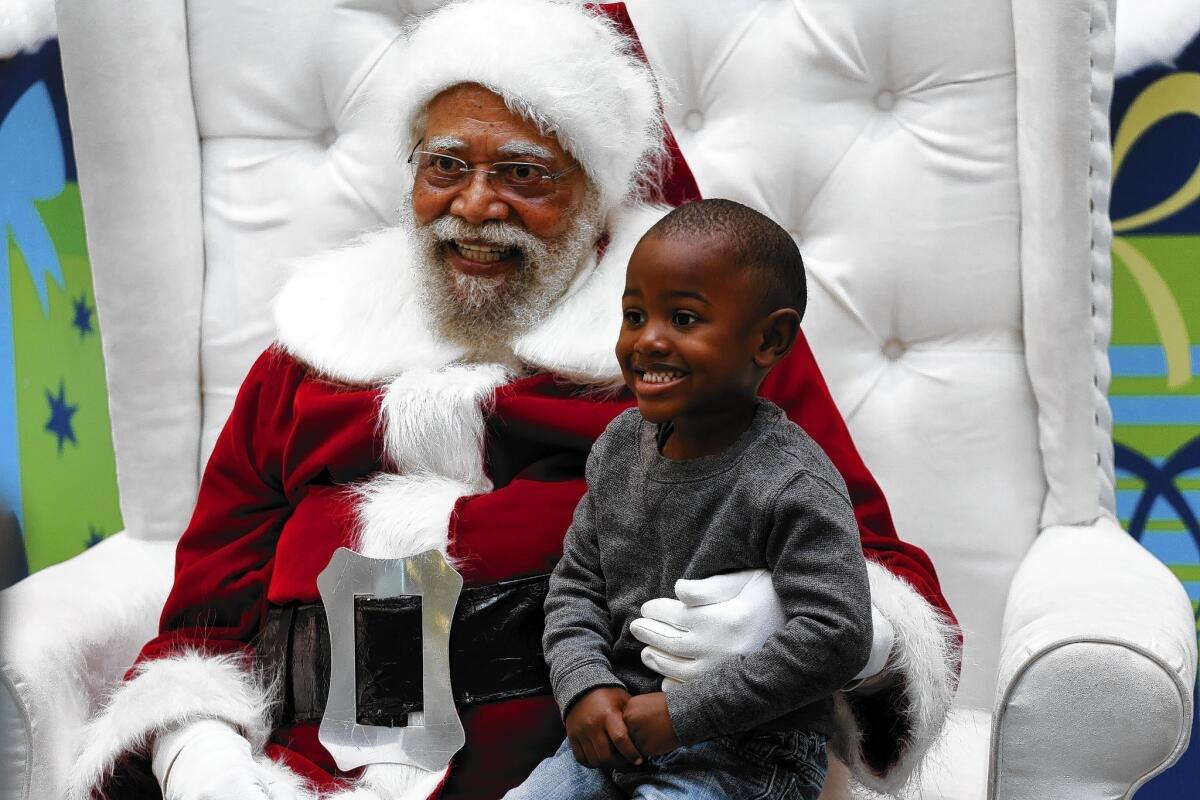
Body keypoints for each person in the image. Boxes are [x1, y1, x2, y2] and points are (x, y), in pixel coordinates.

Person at [68, 2, 958, 800]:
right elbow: (202, 627)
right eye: (445, 165)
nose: (475, 205)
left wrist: (795, 618)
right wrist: (200, 757)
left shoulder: (699, 340)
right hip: (307, 778)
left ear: (597, 189)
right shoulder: (306, 357)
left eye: (525, 174)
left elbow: (884, 570)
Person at [506, 199, 871, 800]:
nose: (646, 340)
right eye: (633, 314)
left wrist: (682, 716)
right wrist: (585, 685)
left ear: (769, 339)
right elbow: (576, 586)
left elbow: (837, 635)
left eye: (683, 318)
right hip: (619, 731)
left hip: (748, 751)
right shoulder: (620, 446)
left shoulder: (790, 482)